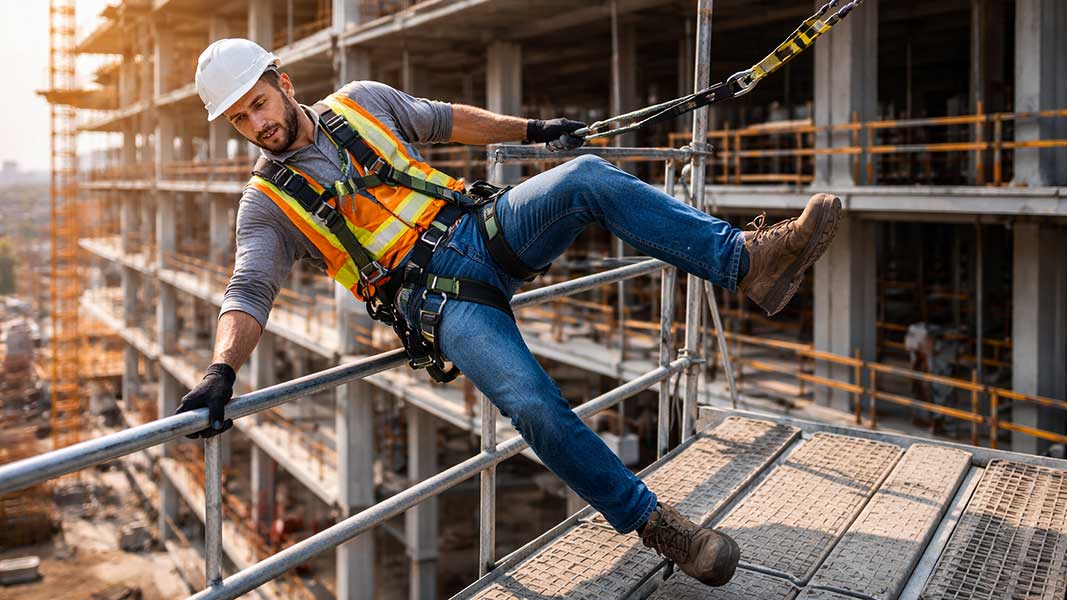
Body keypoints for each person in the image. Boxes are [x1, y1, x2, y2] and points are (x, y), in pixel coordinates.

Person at [177, 38, 842, 587]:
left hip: (481, 228)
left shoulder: (360, 104)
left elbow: (446, 118)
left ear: (283, 81)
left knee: (584, 175)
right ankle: (659, 527)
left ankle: (747, 263)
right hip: (437, 302)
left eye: (259, 104)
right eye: (240, 120)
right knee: (531, 404)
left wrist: (535, 133)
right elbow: (248, 289)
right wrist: (220, 369)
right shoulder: (266, 203)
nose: (257, 126)